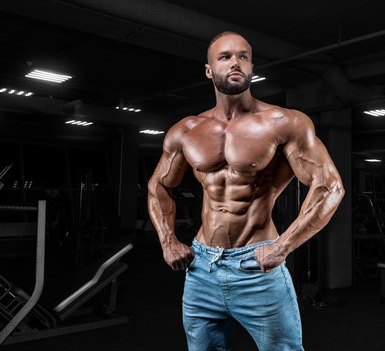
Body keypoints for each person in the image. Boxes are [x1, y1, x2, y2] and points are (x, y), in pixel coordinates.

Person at [147, 31, 344, 351]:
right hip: (201, 269)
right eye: (225, 57)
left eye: (243, 56)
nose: (235, 62)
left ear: (252, 66)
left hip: (257, 266)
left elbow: (329, 185)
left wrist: (284, 246)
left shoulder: (284, 122)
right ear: (209, 70)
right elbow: (159, 184)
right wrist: (168, 241)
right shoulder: (186, 130)